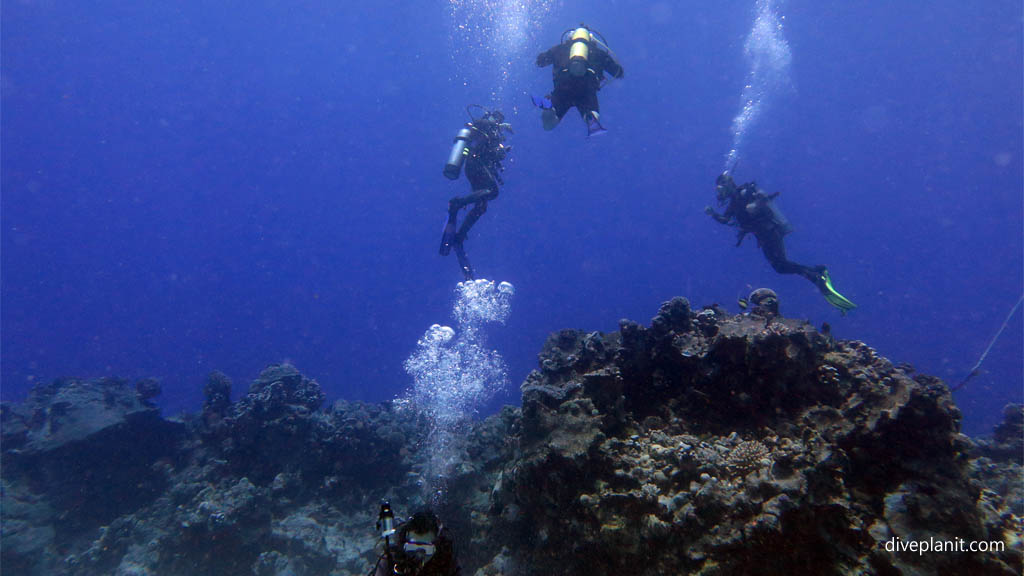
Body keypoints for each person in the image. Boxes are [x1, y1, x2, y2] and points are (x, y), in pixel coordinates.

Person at [706, 173, 857, 313]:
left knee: (781, 264)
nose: (721, 189)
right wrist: (713, 214)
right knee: (779, 266)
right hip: (763, 236)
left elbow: (763, 197)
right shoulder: (733, 203)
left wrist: (757, 204)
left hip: (770, 231)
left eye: (723, 184)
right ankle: (817, 272)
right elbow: (726, 220)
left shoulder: (745, 191)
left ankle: (817, 276)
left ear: (730, 182)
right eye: (719, 186)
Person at [440, 106, 512, 280]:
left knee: (481, 206)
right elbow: (480, 127)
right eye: (498, 118)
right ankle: (458, 203)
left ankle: (460, 236)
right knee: (492, 192)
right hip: (475, 165)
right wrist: (499, 125)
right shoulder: (483, 124)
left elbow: (494, 156)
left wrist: (501, 151)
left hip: (479, 168)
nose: (499, 121)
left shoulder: (492, 135)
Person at [533, 24, 624, 136]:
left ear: (570, 37)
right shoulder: (599, 53)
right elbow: (618, 73)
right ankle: (590, 116)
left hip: (563, 84)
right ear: (591, 39)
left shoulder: (560, 48)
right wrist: (618, 70)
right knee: (590, 109)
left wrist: (543, 58)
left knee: (548, 125)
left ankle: (550, 109)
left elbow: (540, 61)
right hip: (586, 86)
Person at [370, 509, 461, 576]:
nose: (419, 556)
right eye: (411, 548)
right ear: (403, 545)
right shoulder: (391, 561)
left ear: (436, 547)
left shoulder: (448, 563)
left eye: (426, 550)